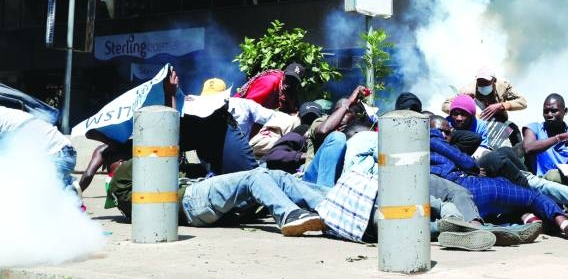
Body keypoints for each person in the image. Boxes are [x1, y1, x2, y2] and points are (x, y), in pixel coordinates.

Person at [428, 117, 568, 240]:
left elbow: (472, 139)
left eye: (448, 131)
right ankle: (567, 225)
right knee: (532, 195)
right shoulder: (432, 139)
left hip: (461, 204)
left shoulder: (408, 157)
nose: (447, 135)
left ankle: (528, 221)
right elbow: (468, 157)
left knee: (515, 200)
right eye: (443, 131)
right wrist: (438, 134)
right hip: (475, 188)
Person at [108, 159, 326, 236]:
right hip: (193, 200)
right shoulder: (130, 167)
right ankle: (288, 215)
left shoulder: (134, 192)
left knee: (275, 176)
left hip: (197, 207)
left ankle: (328, 203)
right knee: (256, 176)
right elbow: (167, 131)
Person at [0, 106, 76, 192]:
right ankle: (70, 190)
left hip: (57, 155)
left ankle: (69, 192)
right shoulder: (5, 113)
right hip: (61, 152)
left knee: (31, 195)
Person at [441, 66, 527, 123]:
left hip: (500, 120)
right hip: (476, 122)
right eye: (480, 82)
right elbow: (445, 106)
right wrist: (466, 110)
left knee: (514, 131)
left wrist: (501, 106)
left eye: (486, 82)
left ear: (494, 80)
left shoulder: (503, 86)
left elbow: (522, 102)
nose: (482, 84)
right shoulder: (468, 90)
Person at [199, 77, 276, 138]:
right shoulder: (197, 111)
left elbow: (273, 117)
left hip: (242, 152)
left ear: (225, 96)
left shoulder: (244, 105)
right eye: (208, 98)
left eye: (215, 98)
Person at [522, 93, 568, 176]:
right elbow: (528, 148)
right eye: (546, 111)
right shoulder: (534, 128)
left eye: (554, 111)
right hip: (539, 182)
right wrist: (558, 138)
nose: (549, 115)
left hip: (564, 183)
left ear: (565, 111)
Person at [234, 62, 306, 113]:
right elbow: (245, 106)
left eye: (294, 80)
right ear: (284, 74)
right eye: (289, 78)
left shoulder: (290, 90)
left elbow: (292, 110)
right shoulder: (270, 82)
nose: (290, 82)